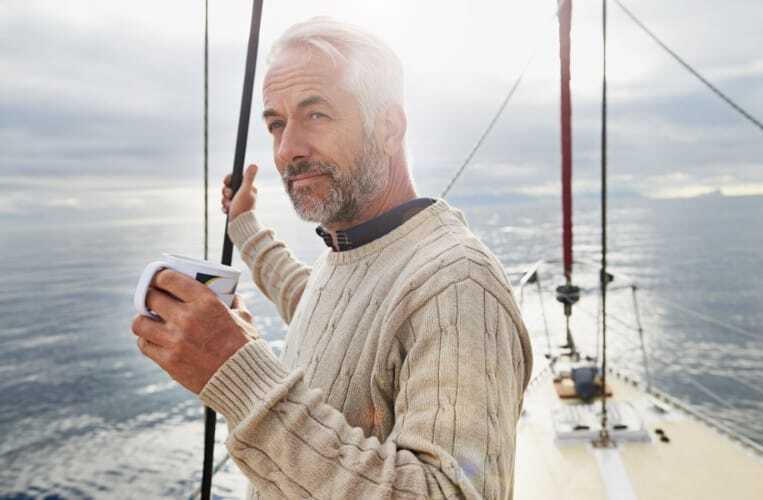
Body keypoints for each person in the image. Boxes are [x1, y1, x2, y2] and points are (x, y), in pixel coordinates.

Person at [131, 17, 532, 499]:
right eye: (277, 124)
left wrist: (235, 370)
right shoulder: (350, 251)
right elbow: (314, 302)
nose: (288, 150)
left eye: (315, 114)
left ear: (388, 127)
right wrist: (243, 229)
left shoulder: (457, 282)